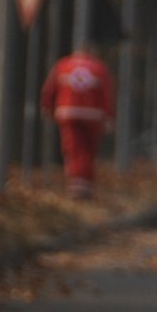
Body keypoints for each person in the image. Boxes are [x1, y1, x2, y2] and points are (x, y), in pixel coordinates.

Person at [40, 43, 115, 198]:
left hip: (68, 112)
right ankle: (86, 183)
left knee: (73, 148)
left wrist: (47, 107)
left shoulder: (63, 65)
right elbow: (107, 94)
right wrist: (109, 117)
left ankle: (76, 183)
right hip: (93, 115)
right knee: (88, 150)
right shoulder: (99, 68)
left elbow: (49, 88)